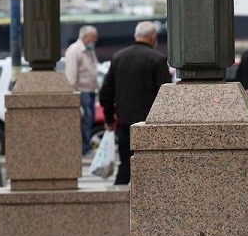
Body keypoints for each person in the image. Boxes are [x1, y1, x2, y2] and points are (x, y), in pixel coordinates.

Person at [99, 21, 170, 185]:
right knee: (152, 168)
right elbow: (164, 95)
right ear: (154, 37)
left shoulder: (118, 57)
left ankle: (119, 203)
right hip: (150, 125)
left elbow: (106, 93)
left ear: (135, 36)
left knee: (126, 165)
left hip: (125, 123)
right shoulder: (158, 60)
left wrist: (110, 118)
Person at [63, 25, 100, 156]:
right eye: (93, 37)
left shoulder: (89, 50)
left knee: (90, 119)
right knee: (86, 118)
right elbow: (71, 74)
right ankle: (84, 148)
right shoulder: (75, 50)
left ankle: (86, 146)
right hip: (81, 91)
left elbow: (93, 69)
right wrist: (73, 94)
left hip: (90, 91)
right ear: (85, 37)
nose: (95, 39)